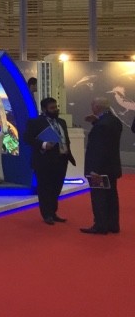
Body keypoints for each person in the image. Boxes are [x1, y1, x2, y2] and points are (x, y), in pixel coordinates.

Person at [24, 97, 75, 225]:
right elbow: (27, 138)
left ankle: (53, 212)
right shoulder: (35, 122)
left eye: (56, 107)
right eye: (52, 108)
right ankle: (46, 214)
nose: (55, 110)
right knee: (45, 188)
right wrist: (43, 144)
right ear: (44, 109)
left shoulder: (61, 122)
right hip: (44, 161)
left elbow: (65, 139)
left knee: (56, 188)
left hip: (61, 159)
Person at [80, 97, 122, 235]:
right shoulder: (115, 121)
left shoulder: (101, 125)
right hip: (112, 166)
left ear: (96, 107)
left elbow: (99, 149)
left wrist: (95, 170)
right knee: (111, 196)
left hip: (100, 168)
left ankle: (100, 225)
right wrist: (96, 121)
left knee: (99, 197)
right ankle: (113, 224)